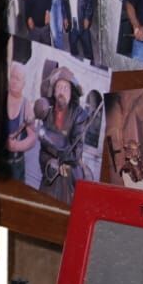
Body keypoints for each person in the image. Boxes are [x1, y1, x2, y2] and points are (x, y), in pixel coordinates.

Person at [35, 69, 85, 204]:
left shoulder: (79, 115)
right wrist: (49, 163)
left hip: (67, 179)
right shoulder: (48, 112)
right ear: (54, 91)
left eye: (66, 88)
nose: (62, 91)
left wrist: (64, 162)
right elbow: (43, 149)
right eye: (59, 87)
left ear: (71, 92)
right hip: (49, 177)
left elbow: (77, 152)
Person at [6, 65, 38, 183]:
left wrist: (16, 146)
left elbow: (32, 138)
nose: (14, 81)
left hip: (15, 168)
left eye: (18, 79)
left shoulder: (26, 106)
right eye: (12, 77)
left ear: (23, 83)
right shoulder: (1, 98)